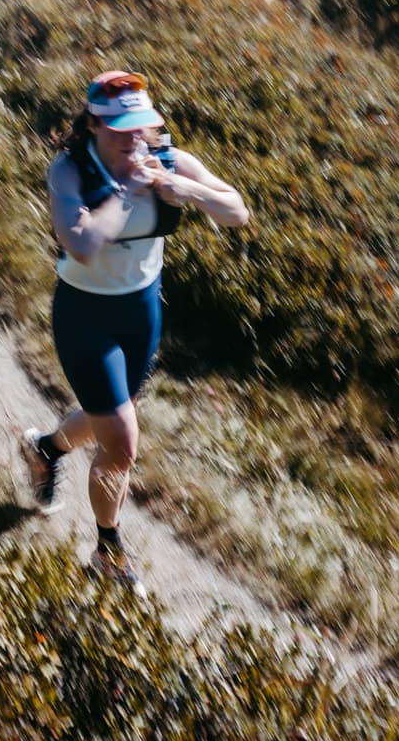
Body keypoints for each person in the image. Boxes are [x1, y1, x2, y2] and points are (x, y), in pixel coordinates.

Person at [21, 68, 248, 592]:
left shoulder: (167, 160)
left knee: (111, 418)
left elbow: (237, 209)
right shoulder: (71, 170)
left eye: (141, 127)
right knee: (122, 440)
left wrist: (182, 187)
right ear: (95, 124)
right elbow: (80, 242)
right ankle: (107, 552)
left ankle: (46, 449)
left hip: (142, 310)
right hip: (85, 314)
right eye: (121, 128)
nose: (133, 139)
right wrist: (124, 191)